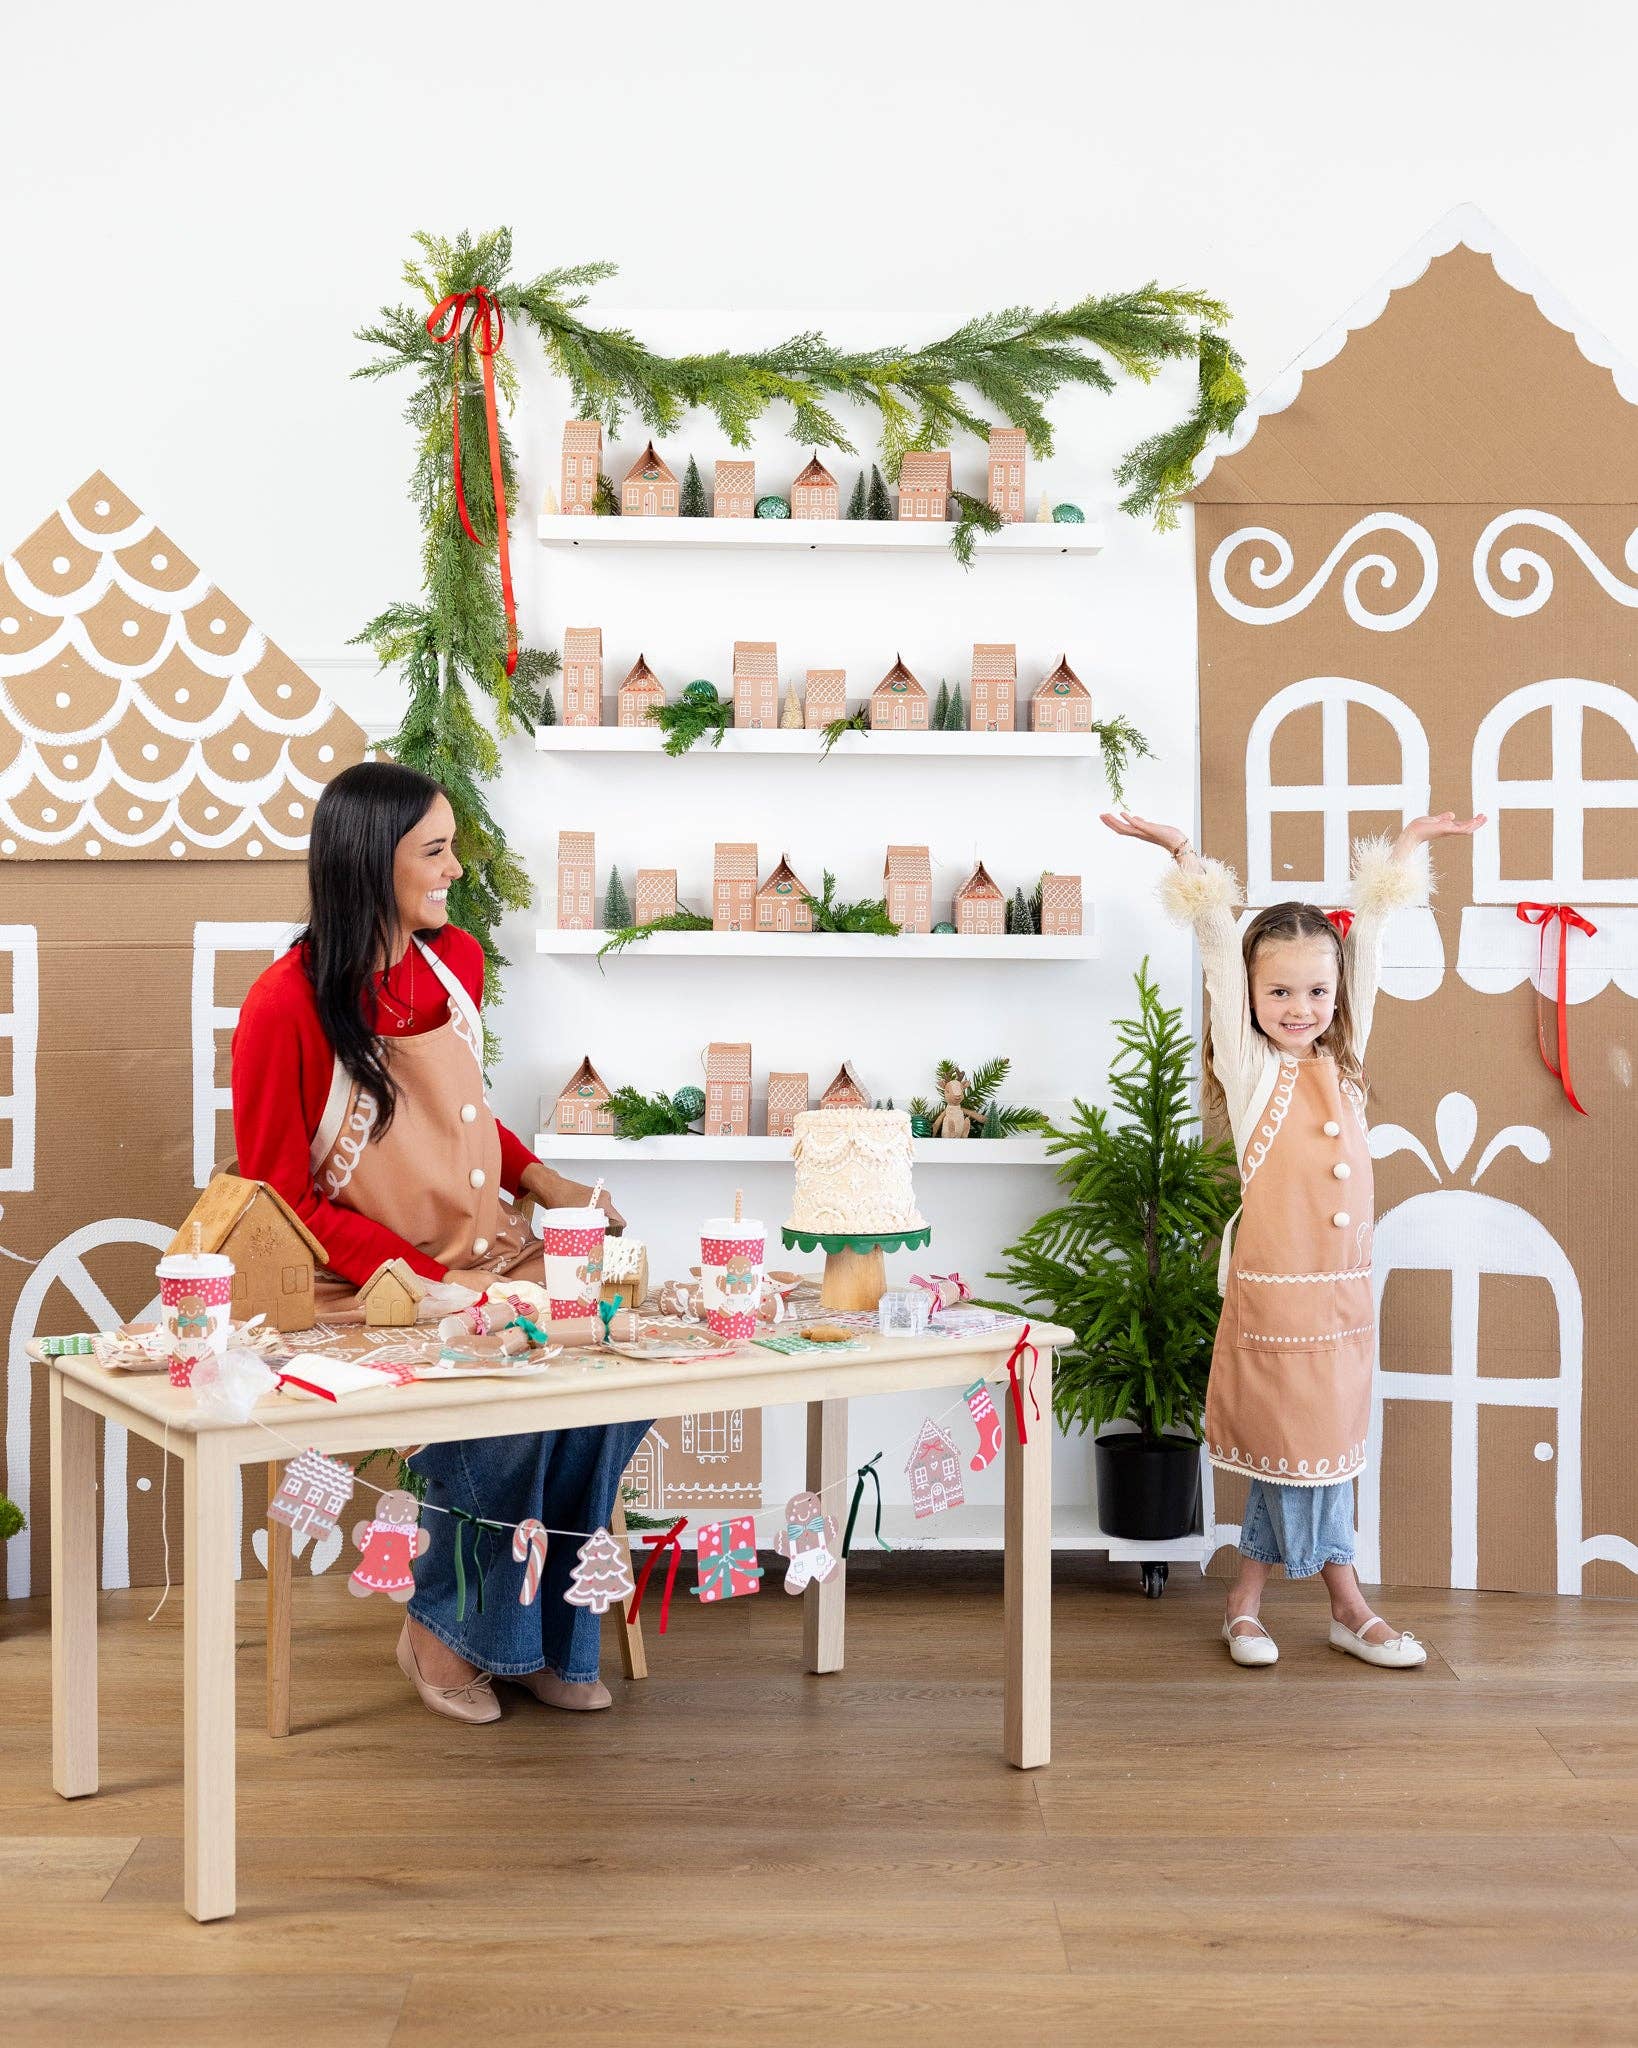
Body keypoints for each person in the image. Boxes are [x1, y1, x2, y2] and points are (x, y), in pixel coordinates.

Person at [233, 761, 650, 1723]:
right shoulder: (283, 1007)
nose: (458, 868)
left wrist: (547, 1182)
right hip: (368, 1284)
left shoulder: (451, 961)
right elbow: (278, 1202)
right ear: (370, 864)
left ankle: (552, 1633)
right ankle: (445, 1631)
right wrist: (433, 1288)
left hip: (486, 1253)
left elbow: (465, 1122)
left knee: (611, 1359)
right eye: (437, 849)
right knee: (504, 1387)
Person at [1102, 807, 1485, 1669]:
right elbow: (1211, 947)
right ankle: (1346, 1602)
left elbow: (1373, 939)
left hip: (1341, 1294)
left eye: (1318, 991)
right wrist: (1184, 860)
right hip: (1276, 1290)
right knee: (1296, 1444)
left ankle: (1249, 1599)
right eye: (1278, 992)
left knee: (1319, 1449)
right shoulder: (1250, 1066)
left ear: (1339, 994)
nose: (1300, 1007)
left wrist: (1407, 852)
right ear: (1250, 998)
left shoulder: (1345, 1063)